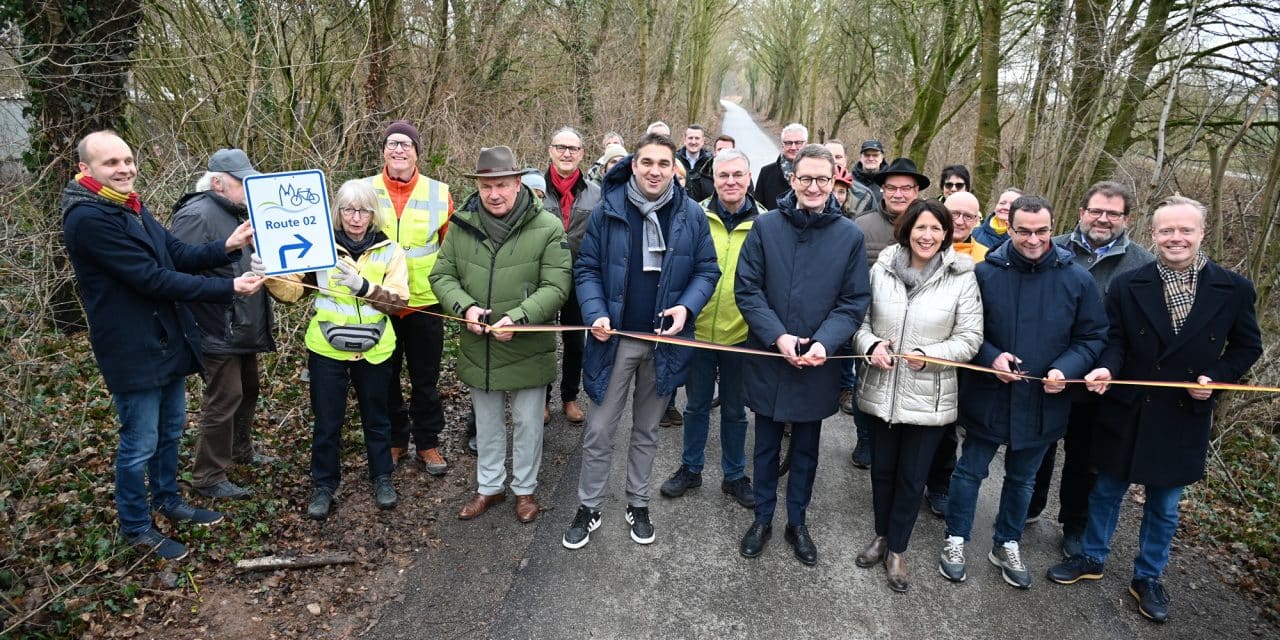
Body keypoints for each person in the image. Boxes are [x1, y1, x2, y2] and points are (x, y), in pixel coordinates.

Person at [1046, 196, 1262, 623]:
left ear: (1202, 233)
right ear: (1154, 234)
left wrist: (1216, 379)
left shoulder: (1233, 288)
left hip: (1184, 412)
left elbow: (1246, 347)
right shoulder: (1130, 284)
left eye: (1185, 230)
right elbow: (1116, 340)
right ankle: (1091, 557)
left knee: (1164, 505)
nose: (1175, 238)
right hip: (1128, 407)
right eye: (1166, 231)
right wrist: (1106, 367)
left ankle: (1148, 576)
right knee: (1106, 490)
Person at [63, 131, 263, 560]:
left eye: (128, 160)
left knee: (171, 430)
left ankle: (169, 500)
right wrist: (229, 286)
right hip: (131, 347)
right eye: (111, 163)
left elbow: (173, 253)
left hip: (167, 338)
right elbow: (152, 279)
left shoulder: (129, 205)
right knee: (139, 444)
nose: (124, 169)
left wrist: (227, 245)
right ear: (86, 170)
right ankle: (137, 526)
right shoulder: (89, 217)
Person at [938, 195, 1107, 589]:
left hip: (1044, 401)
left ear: (1053, 227)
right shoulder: (984, 273)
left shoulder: (1077, 278)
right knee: (969, 471)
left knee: (1023, 480)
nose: (1033, 239)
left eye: (1042, 231)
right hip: (989, 395)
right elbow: (963, 329)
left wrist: (1066, 369)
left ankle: (1007, 542)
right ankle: (956, 538)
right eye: (1024, 231)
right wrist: (992, 357)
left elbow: (1093, 336)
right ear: (1008, 228)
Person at [562, 132, 719, 549]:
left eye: (663, 164)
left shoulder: (691, 215)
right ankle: (589, 506)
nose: (654, 171)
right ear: (634, 165)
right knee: (599, 429)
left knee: (647, 429)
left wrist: (686, 307)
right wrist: (595, 312)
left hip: (665, 341)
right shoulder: (608, 209)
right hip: (613, 339)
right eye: (647, 162)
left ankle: (638, 501)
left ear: (674, 169)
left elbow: (707, 271)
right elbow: (587, 269)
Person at [735, 144, 871, 566]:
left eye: (823, 179)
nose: (814, 186)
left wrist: (823, 343)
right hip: (771, 355)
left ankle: (798, 521)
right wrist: (777, 337)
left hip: (818, 361)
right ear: (791, 179)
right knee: (765, 445)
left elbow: (853, 302)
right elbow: (748, 289)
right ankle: (762, 517)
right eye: (806, 178)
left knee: (808, 448)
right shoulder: (765, 227)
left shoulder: (850, 236)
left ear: (835, 183)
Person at [430, 146, 571, 523]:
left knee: (528, 423)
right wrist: (465, 309)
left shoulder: (548, 226)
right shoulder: (461, 225)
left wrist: (520, 318)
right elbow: (441, 276)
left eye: (503, 185)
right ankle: (489, 487)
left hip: (528, 345)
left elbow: (557, 285)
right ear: (478, 187)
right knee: (488, 422)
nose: (495, 194)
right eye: (487, 186)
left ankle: (525, 491)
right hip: (481, 348)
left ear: (518, 183)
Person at [853, 199, 983, 591]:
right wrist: (871, 345)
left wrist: (930, 356)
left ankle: (898, 550)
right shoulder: (882, 269)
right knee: (883, 473)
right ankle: (880, 536)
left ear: (946, 235)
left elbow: (970, 338)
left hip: (929, 398)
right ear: (907, 229)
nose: (927, 236)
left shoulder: (962, 277)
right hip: (882, 391)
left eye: (936, 229)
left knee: (912, 479)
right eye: (921, 228)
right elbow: (859, 322)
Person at [264, 180, 409, 520]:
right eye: (348, 210)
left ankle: (382, 477)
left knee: (377, 417)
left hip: (375, 347)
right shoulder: (318, 246)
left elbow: (400, 300)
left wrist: (365, 287)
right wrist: (269, 275)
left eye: (363, 210)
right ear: (337, 212)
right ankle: (324, 485)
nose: (355, 218)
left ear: (373, 214)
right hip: (326, 348)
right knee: (328, 421)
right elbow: (293, 291)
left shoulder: (390, 250)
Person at [1027, 181, 1155, 557]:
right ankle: (1030, 507)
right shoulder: (1049, 245)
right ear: (1082, 211)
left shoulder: (1143, 264)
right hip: (1049, 369)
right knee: (1040, 445)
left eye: (1113, 213)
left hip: (1102, 377)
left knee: (1085, 457)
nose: (1103, 218)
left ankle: (1074, 524)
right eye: (1096, 210)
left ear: (1127, 219)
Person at [168, 148, 275, 501]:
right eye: (242, 182)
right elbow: (176, 273)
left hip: (243, 324)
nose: (249, 189)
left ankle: (240, 451)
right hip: (216, 327)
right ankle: (209, 476)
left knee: (248, 389)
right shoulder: (197, 214)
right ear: (217, 182)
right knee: (224, 398)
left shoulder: (239, 212)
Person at [659, 148, 762, 509]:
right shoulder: (693, 215)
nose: (730, 182)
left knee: (735, 410)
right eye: (723, 175)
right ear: (714, 178)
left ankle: (734, 476)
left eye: (738, 175)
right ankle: (691, 468)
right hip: (698, 330)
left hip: (741, 335)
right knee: (696, 405)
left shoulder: (766, 222)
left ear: (748, 178)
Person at [368, 120, 452, 475]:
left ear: (418, 152)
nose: (398, 150)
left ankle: (428, 443)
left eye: (406, 144)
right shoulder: (363, 190)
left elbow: (450, 249)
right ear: (383, 150)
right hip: (378, 300)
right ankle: (395, 441)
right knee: (383, 377)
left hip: (425, 301)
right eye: (392, 143)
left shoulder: (439, 192)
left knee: (426, 379)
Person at [844, 158, 931, 465]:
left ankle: (899, 443)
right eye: (891, 187)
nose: (898, 194)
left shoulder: (928, 225)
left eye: (906, 188)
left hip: (917, 320)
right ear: (882, 189)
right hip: (871, 319)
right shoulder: (862, 225)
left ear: (916, 191)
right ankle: (865, 439)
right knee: (864, 381)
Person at [920, 190, 988, 519]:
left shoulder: (987, 260)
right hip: (918, 350)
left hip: (961, 357)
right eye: (953, 214)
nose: (960, 221)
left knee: (946, 427)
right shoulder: (920, 248)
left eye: (968, 216)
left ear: (979, 220)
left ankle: (940, 484)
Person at [543, 127, 602, 425]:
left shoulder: (595, 193)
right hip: (541, 278)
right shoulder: (533, 189)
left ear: (582, 154)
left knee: (575, 341)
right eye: (561, 147)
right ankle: (541, 398)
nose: (567, 153)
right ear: (550, 150)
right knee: (540, 340)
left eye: (573, 149)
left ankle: (568, 397)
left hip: (580, 277)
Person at [756, 122, 807, 210]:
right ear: (782, 145)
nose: (793, 147)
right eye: (788, 143)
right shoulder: (766, 173)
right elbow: (758, 207)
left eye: (798, 143)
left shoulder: (816, 173)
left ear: (805, 144)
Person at [677, 124, 715, 202]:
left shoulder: (711, 162)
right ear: (684, 140)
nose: (693, 142)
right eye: (690, 138)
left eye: (697, 138)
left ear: (703, 141)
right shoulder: (675, 160)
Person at [852, 140, 886, 207]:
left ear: (882, 158)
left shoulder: (889, 181)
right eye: (867, 155)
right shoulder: (851, 181)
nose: (871, 158)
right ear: (861, 157)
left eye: (875, 155)